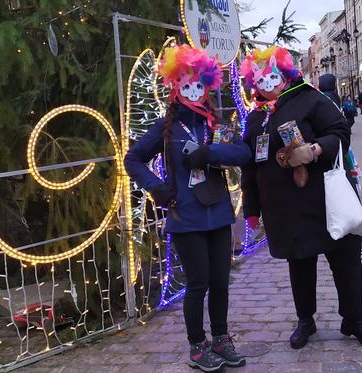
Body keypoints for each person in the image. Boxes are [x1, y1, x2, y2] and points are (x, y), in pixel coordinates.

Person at [240, 46, 362, 351]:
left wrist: (316, 148)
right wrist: (251, 209)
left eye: (273, 78)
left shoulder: (309, 98)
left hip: (326, 199)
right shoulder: (256, 119)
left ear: (285, 74)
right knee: (300, 264)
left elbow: (340, 132)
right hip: (286, 208)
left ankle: (354, 320)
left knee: (345, 259)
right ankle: (306, 320)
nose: (268, 86)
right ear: (253, 83)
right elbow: (250, 166)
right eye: (261, 81)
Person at [124, 45, 251, 372]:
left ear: (207, 85)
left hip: (219, 213)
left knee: (221, 281)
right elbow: (133, 159)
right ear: (175, 86)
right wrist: (157, 189)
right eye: (185, 84)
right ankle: (198, 347)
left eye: (198, 84)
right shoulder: (165, 126)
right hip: (187, 218)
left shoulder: (214, 123)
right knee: (198, 284)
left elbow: (242, 154)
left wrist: (210, 153)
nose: (193, 90)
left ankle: (221, 338)